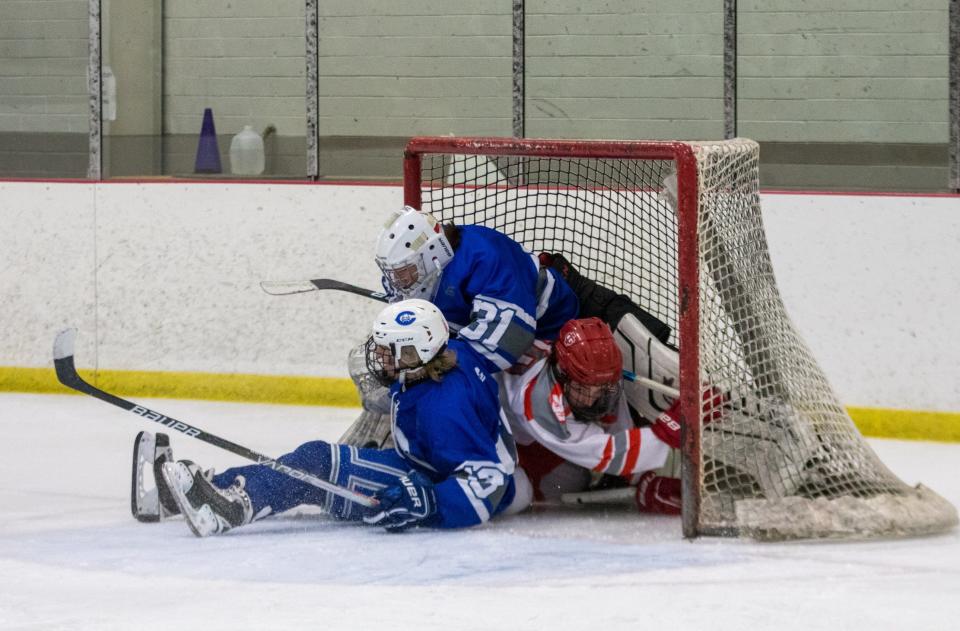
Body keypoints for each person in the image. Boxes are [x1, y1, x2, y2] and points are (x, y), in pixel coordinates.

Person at [135, 299, 529, 536]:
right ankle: (206, 492)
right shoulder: (443, 357)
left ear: (416, 354)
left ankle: (229, 510)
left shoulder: (446, 408)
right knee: (317, 459)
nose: (382, 358)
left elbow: (489, 481)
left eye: (392, 351)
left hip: (441, 483)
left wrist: (430, 501)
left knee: (317, 466)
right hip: (425, 463)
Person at [500, 317, 693, 514]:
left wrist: (642, 478)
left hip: (529, 430)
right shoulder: (538, 401)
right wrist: (670, 429)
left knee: (574, 477)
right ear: (561, 375)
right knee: (531, 496)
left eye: (602, 387)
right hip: (496, 436)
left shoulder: (594, 373)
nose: (593, 399)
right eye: (584, 388)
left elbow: (616, 428)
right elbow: (604, 451)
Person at [374, 206, 580, 372]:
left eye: (403, 272)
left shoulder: (487, 261)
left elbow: (505, 344)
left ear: (432, 255)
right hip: (491, 326)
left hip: (550, 328)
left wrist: (424, 357)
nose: (396, 282)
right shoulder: (421, 268)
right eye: (393, 273)